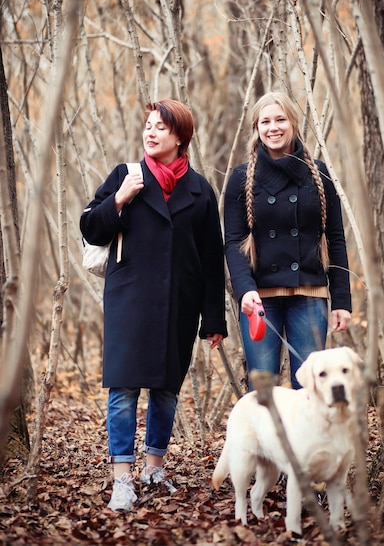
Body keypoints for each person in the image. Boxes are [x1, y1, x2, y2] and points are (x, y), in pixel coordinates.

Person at [80, 99, 227, 512]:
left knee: (166, 390)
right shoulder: (125, 176)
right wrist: (119, 200)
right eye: (148, 125)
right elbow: (90, 226)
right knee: (123, 389)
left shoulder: (199, 191)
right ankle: (122, 478)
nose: (151, 132)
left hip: (179, 304)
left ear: (180, 137)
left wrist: (213, 317)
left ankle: (154, 468)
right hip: (129, 299)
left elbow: (212, 257)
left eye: (161, 127)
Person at [224, 91, 351, 390]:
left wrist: (342, 301)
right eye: (265, 121)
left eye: (280, 119)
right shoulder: (241, 179)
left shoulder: (319, 174)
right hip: (260, 300)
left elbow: (335, 238)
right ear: (257, 129)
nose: (273, 127)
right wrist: (245, 291)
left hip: (309, 293)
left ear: (293, 123)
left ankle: (306, 440)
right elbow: (233, 241)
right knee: (263, 392)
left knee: (310, 390)